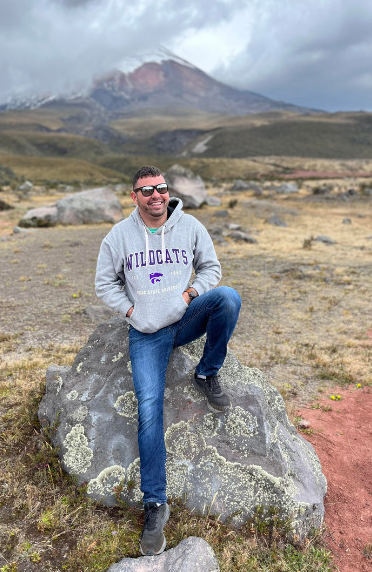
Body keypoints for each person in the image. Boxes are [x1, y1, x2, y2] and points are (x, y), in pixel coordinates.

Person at [94, 166, 242, 556]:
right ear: (134, 196)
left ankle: (207, 371)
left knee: (228, 297)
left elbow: (212, 269)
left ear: (168, 192)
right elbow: (103, 283)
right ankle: (155, 504)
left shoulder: (190, 226)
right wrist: (130, 312)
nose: (155, 196)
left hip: (183, 317)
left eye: (160, 188)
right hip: (146, 332)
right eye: (146, 191)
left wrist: (191, 294)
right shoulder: (118, 236)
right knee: (148, 409)